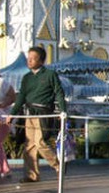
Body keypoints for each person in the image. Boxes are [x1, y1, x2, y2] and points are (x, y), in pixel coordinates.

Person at [7, 46, 66, 183]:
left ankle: (58, 165)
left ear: (41, 61)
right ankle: (31, 175)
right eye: (29, 58)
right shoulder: (27, 78)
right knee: (29, 145)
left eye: (33, 59)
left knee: (40, 142)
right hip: (29, 113)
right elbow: (21, 97)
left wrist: (63, 111)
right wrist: (12, 114)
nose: (30, 61)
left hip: (43, 113)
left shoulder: (50, 75)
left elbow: (59, 93)